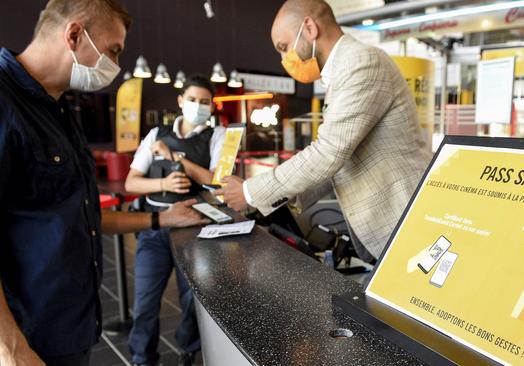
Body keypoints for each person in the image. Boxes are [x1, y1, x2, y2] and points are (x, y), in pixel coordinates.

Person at [0, 1, 208, 365]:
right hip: (24, 338)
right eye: (113, 50)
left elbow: (79, 215)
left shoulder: (61, 110)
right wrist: (11, 349)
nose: (116, 64)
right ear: (75, 34)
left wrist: (161, 219)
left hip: (66, 328)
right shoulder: (5, 101)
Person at [217, 0, 432, 261]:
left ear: (309, 27)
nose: (284, 59)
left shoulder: (362, 62)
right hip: (378, 227)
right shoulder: (340, 71)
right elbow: (341, 159)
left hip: (399, 221)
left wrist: (250, 192)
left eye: (284, 48)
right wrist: (274, 196)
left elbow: (329, 152)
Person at [124, 74, 225, 366]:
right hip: (156, 226)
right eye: (192, 100)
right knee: (144, 303)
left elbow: (217, 183)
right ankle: (142, 359)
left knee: (192, 301)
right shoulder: (156, 134)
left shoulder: (217, 136)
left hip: (195, 229)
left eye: (205, 102)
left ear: (212, 106)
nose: (198, 106)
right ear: (181, 101)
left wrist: (177, 160)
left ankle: (188, 350)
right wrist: (164, 185)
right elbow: (132, 183)